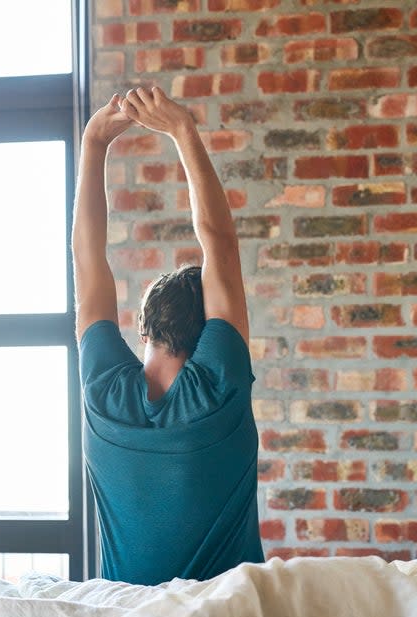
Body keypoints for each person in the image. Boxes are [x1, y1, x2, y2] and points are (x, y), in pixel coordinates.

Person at [72, 86, 265, 586]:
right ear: (211, 335)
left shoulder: (104, 395)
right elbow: (218, 242)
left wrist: (94, 146)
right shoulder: (216, 388)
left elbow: (88, 262)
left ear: (145, 323)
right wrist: (183, 130)